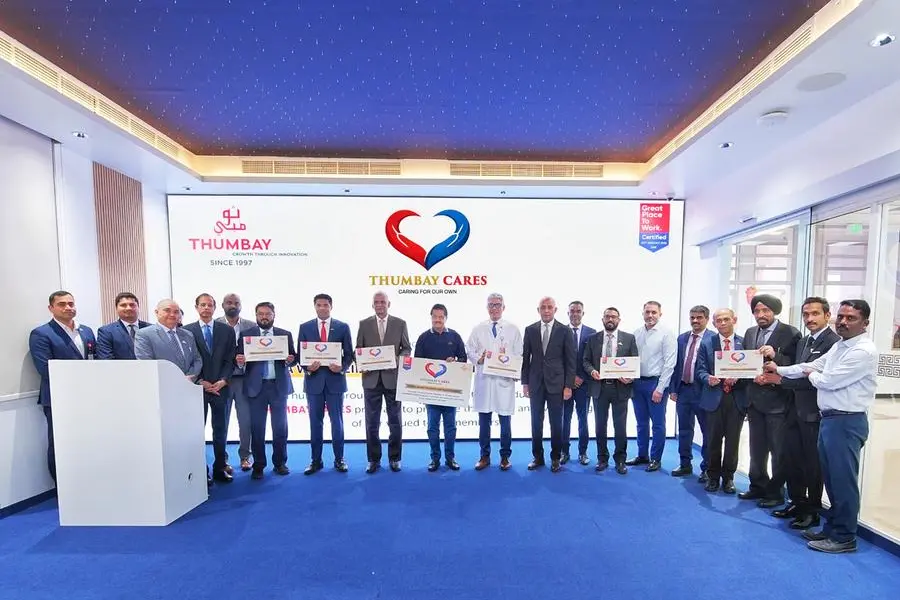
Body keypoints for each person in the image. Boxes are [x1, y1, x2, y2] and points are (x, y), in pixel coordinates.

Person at [768, 299, 877, 554]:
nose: (843, 322)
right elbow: (811, 366)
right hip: (829, 420)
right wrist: (779, 369)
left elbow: (827, 381)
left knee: (843, 482)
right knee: (832, 480)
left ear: (865, 323)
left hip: (847, 422)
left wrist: (811, 375)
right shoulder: (840, 346)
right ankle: (832, 529)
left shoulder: (863, 351)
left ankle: (845, 537)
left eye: (851, 318)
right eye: (842, 316)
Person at [758, 297, 840, 529]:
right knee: (791, 460)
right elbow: (796, 371)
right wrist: (778, 371)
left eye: (815, 314)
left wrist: (779, 380)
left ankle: (812, 511)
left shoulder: (833, 343)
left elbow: (815, 379)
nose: (809, 318)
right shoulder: (804, 341)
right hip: (794, 409)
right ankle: (796, 502)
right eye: (806, 314)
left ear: (827, 315)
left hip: (814, 413)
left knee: (812, 466)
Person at [28, 291, 97, 482]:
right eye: (62, 304)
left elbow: (95, 362)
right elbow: (46, 369)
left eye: (71, 303)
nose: (68, 307)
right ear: (51, 308)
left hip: (88, 398)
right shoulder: (41, 334)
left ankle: (84, 483)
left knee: (86, 442)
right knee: (61, 445)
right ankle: (62, 488)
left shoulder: (86, 331)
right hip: (59, 399)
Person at [740, 294, 801, 505]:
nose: (761, 314)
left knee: (778, 450)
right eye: (757, 311)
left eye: (765, 310)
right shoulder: (750, 333)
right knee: (756, 449)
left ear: (774, 311)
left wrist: (776, 356)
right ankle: (757, 486)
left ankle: (775, 493)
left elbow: (796, 365)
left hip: (778, 401)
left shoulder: (790, 333)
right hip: (754, 399)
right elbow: (746, 363)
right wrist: (751, 375)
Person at [235, 302, 296, 479]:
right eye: (260, 314)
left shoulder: (285, 334)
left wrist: (290, 360)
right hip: (256, 388)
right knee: (257, 428)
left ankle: (280, 463)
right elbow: (238, 360)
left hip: (278, 386)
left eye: (268, 314)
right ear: (256, 316)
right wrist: (240, 361)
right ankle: (259, 465)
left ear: (274, 315)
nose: (264, 317)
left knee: (280, 428)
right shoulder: (246, 335)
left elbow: (293, 358)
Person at [355, 291, 411, 474]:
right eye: (376, 302)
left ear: (389, 304)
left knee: (395, 421)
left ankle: (395, 458)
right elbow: (358, 350)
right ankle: (373, 459)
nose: (379, 305)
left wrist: (396, 359)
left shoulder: (400, 323)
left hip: (392, 379)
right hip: (371, 380)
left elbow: (407, 349)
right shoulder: (364, 324)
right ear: (372, 305)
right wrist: (361, 362)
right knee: (371, 423)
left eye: (382, 302)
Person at [298, 293, 354, 475]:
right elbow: (300, 355)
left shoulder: (342, 327)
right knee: (315, 423)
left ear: (331, 306)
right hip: (313, 382)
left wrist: (342, 367)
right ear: (314, 306)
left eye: (325, 305)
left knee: (337, 422)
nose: (322, 308)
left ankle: (339, 459)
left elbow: (349, 354)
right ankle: (316, 461)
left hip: (335, 382)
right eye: (319, 305)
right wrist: (308, 368)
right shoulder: (305, 327)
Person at [185, 293, 237, 485]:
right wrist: (200, 381)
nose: (206, 308)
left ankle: (220, 467)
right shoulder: (186, 331)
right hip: (196, 389)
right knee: (197, 432)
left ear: (215, 308)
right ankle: (201, 470)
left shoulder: (227, 330)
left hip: (221, 388)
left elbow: (230, 359)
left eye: (209, 305)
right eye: (202, 305)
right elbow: (187, 361)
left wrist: (223, 380)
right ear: (196, 307)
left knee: (220, 430)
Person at [467, 293, 523, 471]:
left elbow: (519, 354)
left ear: (503, 307)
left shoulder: (513, 329)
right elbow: (469, 350)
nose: (494, 308)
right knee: (484, 423)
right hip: (484, 382)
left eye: (498, 304)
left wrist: (515, 370)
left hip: (503, 383)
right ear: (487, 307)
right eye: (491, 305)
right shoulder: (478, 329)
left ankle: (505, 457)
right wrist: (479, 358)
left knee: (505, 422)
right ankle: (484, 456)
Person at [522, 296, 576, 473]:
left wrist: (568, 385)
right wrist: (525, 383)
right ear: (538, 310)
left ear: (555, 310)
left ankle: (555, 458)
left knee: (556, 423)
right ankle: (537, 457)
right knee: (536, 422)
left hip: (557, 384)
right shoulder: (530, 330)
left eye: (549, 307)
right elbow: (525, 359)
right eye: (543, 307)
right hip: (536, 383)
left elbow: (570, 361)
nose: (546, 310)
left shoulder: (565, 331)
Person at [695, 309, 746, 494]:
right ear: (714, 323)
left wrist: (739, 376)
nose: (722, 323)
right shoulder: (707, 343)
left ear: (734, 320)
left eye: (726, 319)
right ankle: (713, 477)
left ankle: (729, 478)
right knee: (713, 441)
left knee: (733, 441)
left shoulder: (744, 343)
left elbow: (750, 368)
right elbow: (700, 370)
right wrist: (707, 378)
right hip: (713, 397)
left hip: (736, 398)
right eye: (719, 320)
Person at [582, 307, 638, 474]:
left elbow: (634, 362)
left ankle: (620, 460)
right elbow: (585, 361)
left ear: (619, 320)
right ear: (603, 319)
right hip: (599, 388)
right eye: (607, 316)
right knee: (600, 426)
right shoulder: (593, 339)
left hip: (621, 388)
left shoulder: (629, 338)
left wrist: (630, 377)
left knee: (620, 426)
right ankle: (602, 458)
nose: (610, 319)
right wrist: (592, 371)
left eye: (613, 316)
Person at [414, 303, 468, 472]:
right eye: (435, 317)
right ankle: (435, 459)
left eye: (441, 317)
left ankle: (450, 458)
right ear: (431, 317)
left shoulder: (455, 336)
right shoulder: (423, 338)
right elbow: (417, 364)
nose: (438, 320)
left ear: (446, 318)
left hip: (450, 392)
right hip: (431, 392)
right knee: (432, 428)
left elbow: (464, 359)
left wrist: (455, 361)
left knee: (450, 428)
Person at [628, 301, 677, 472]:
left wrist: (660, 388)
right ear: (642, 313)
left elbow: (670, 363)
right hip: (637, 383)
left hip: (655, 383)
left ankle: (656, 458)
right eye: (647, 312)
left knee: (657, 424)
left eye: (654, 312)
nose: (650, 315)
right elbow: (631, 359)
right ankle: (642, 455)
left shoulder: (667, 334)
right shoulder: (636, 333)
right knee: (641, 423)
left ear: (660, 314)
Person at [669, 305, 715, 480]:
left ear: (707, 319)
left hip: (704, 391)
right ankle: (685, 464)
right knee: (684, 430)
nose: (695, 321)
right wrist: (673, 389)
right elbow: (676, 365)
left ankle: (707, 468)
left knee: (707, 432)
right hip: (684, 390)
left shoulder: (713, 339)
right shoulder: (682, 338)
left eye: (699, 317)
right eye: (692, 317)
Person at [216, 293, 257, 471]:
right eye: (229, 302)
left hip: (244, 379)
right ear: (223, 305)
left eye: (236, 303)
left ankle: (245, 456)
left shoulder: (252, 326)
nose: (232, 305)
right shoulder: (214, 325)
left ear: (241, 305)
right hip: (221, 381)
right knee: (221, 422)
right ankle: (222, 459)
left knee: (246, 421)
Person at [134, 299, 203, 383]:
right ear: (156, 312)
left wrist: (189, 377)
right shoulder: (144, 334)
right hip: (162, 385)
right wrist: (177, 380)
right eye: (167, 310)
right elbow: (146, 363)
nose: (172, 314)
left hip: (189, 384)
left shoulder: (188, 335)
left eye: (176, 312)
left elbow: (197, 359)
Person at [562, 301, 596, 466]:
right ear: (567, 313)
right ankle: (564, 452)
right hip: (565, 385)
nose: (575, 314)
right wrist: (569, 379)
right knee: (564, 419)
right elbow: (558, 358)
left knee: (583, 420)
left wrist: (581, 376)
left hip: (584, 384)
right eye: (572, 311)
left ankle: (583, 452)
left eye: (578, 311)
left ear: (583, 313)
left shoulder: (592, 333)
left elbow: (593, 358)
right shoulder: (560, 331)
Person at [96, 292, 151, 360]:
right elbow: (106, 359)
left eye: (132, 305)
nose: (128, 308)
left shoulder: (151, 329)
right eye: (123, 305)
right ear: (116, 308)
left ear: (138, 307)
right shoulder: (106, 332)